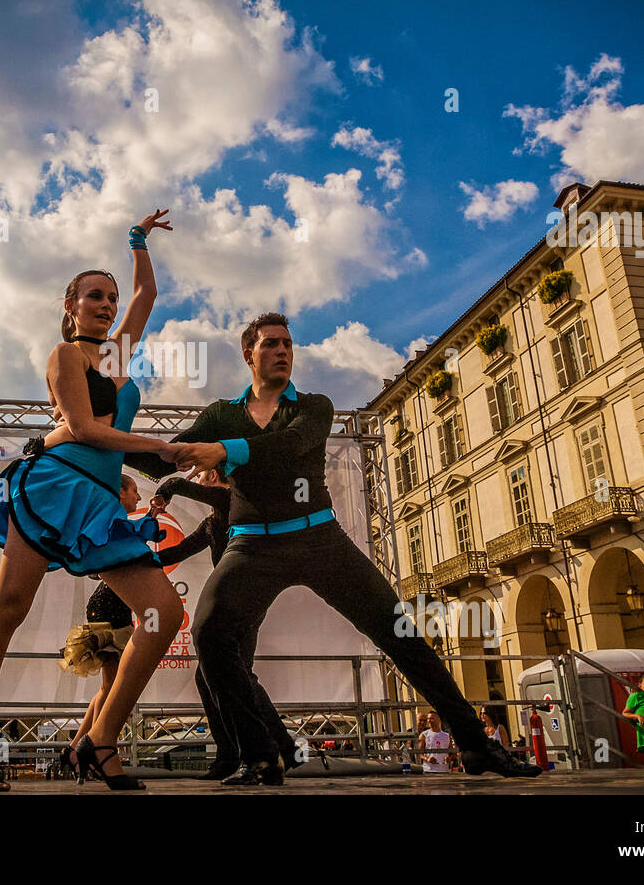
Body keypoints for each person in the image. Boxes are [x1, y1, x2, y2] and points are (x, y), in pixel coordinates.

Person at [125, 314, 540, 784]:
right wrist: (100, 439)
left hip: (319, 539)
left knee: (402, 636)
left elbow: (290, 446)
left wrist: (226, 452)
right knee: (209, 637)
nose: (282, 351)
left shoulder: (314, 407)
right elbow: (162, 460)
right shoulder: (222, 414)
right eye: (270, 345)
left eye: (287, 344)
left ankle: (476, 744)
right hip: (252, 547)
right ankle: (262, 756)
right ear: (248, 355)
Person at [0, 211, 189, 791]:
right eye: (94, 296)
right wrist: (159, 447)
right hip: (54, 486)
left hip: (99, 504)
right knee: (10, 605)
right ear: (71, 308)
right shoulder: (65, 356)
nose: (107, 305)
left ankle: (99, 739)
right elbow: (85, 430)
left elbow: (148, 293)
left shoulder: (114, 358)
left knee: (162, 614)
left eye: (110, 298)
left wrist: (137, 242)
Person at [147, 468, 300, 780]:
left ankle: (266, 750)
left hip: (247, 598)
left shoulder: (233, 501)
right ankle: (248, 751)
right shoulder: (211, 523)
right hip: (234, 601)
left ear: (213, 476)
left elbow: (178, 484)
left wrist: (165, 493)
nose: (199, 481)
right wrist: (141, 556)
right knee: (219, 676)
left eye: (202, 475)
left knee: (233, 673)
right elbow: (179, 551)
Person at [59, 473, 142, 775]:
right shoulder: (110, 521)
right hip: (110, 607)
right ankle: (86, 748)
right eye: (135, 492)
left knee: (108, 688)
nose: (139, 498)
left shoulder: (116, 521)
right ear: (120, 493)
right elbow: (102, 563)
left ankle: (78, 748)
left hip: (110, 605)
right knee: (112, 687)